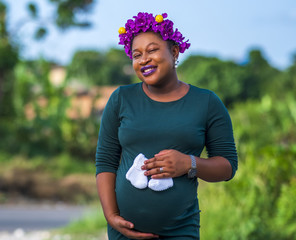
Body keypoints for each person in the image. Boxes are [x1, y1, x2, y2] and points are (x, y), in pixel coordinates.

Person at [95, 12, 238, 240]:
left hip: (180, 232)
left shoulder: (207, 103)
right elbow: (105, 162)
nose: (144, 59)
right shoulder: (121, 99)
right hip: (124, 233)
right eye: (136, 54)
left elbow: (228, 166)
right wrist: (111, 216)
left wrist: (189, 163)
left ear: (174, 52)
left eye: (152, 50)